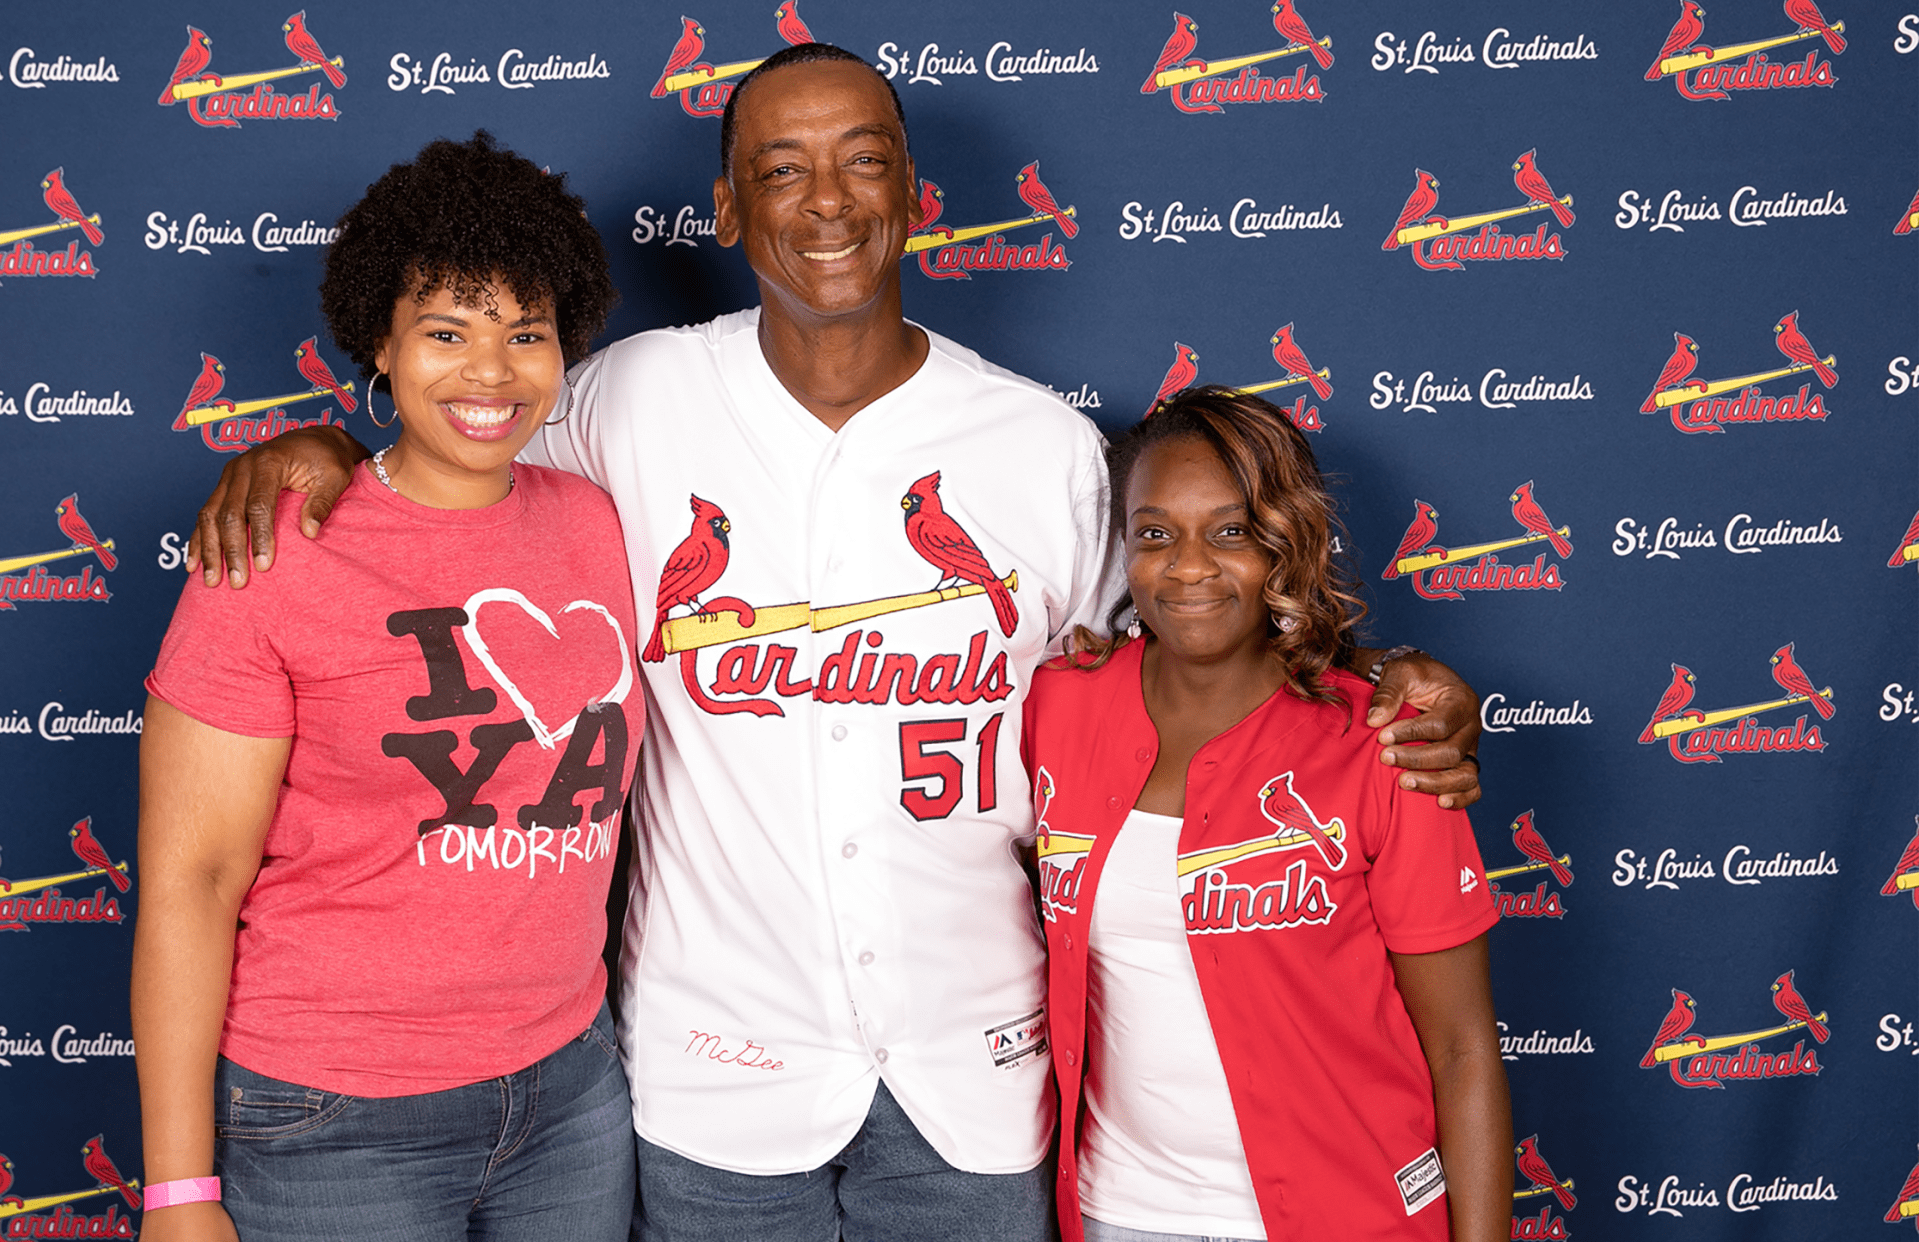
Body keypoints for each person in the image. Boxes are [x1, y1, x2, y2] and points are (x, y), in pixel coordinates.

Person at [182, 46, 1486, 1242]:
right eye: (780, 170)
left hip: (973, 1075)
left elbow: (1201, 651)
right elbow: (459, 434)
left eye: (863, 161)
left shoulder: (1041, 449)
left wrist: (1383, 688)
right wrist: (321, 449)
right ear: (726, 209)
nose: (827, 202)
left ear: (915, 195)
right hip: (716, 1077)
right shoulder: (628, 400)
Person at [131, 134, 643, 1242]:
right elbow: (192, 881)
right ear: (381, 340)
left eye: (525, 334)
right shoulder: (275, 552)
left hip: (572, 1094)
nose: (490, 372)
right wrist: (176, 1192)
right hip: (336, 1117)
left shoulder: (601, 523)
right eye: (447, 332)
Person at [1023, 388, 1509, 1242]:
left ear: (1286, 543)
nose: (1189, 567)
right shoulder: (1058, 707)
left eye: (1232, 532)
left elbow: (1463, 1051)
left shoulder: (1386, 745)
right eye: (1155, 534)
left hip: (1349, 1215)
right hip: (1119, 1214)